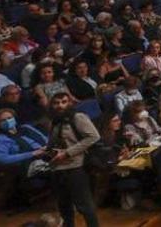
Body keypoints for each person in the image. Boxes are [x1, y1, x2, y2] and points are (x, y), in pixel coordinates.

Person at [46, 92, 101, 227]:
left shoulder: (78, 117)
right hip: (58, 167)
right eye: (56, 103)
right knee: (64, 206)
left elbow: (93, 137)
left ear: (70, 103)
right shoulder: (55, 121)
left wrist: (68, 153)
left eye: (63, 102)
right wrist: (47, 150)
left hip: (76, 167)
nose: (60, 105)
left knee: (84, 206)